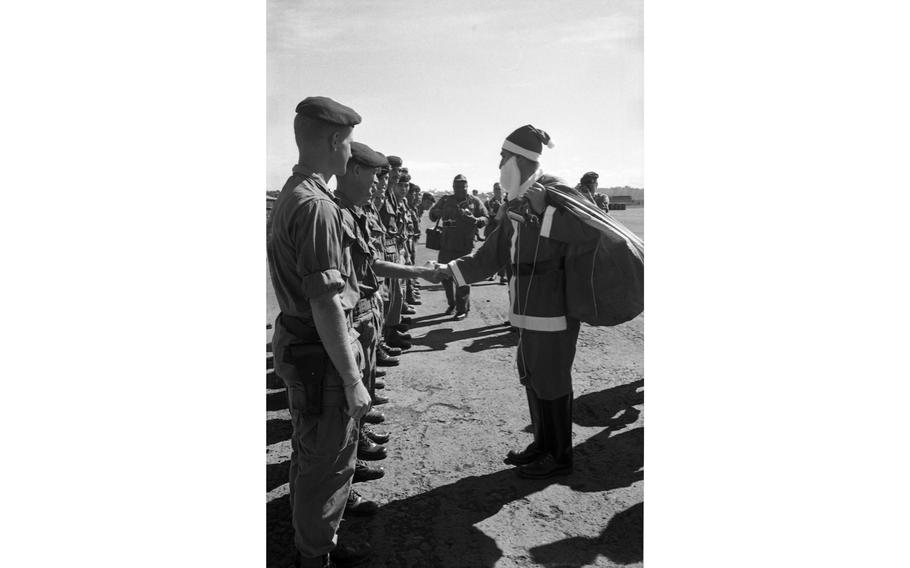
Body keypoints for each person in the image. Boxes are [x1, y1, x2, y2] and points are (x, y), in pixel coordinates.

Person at [435, 125, 600, 479]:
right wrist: (447, 271)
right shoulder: (517, 201)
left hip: (554, 308)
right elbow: (491, 254)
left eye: (502, 157)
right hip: (524, 308)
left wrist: (544, 213)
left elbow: (589, 232)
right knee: (531, 374)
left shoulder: (557, 192)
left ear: (519, 159)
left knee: (553, 378)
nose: (498, 164)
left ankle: (559, 456)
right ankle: (541, 444)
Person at [266, 96, 372, 568]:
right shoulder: (317, 207)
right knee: (326, 461)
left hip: (306, 346)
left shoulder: (296, 192)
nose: (350, 154)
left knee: (313, 453)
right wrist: (352, 380)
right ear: (334, 140)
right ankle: (315, 556)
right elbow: (326, 299)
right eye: (348, 143)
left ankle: (315, 543)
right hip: (320, 354)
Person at [427, 174, 488, 320]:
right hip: (446, 245)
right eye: (457, 186)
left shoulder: (474, 201)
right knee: (444, 276)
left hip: (465, 246)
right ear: (453, 187)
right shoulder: (446, 200)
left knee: (462, 277)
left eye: (463, 186)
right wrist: (438, 212)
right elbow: (432, 215)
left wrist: (475, 220)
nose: (460, 189)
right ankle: (452, 303)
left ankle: (462, 308)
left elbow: (485, 217)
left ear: (467, 186)